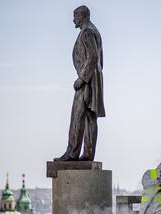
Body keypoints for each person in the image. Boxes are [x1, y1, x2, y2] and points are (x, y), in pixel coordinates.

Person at [55, 5, 105, 161]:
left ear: (83, 15)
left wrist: (82, 78)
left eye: (75, 16)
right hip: (94, 80)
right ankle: (88, 154)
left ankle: (72, 152)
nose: (73, 19)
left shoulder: (87, 32)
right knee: (90, 117)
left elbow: (93, 57)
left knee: (77, 115)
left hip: (87, 81)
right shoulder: (93, 30)